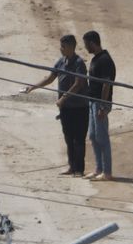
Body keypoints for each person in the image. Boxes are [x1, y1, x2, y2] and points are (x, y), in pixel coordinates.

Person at [25, 34, 89, 176]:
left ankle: (79, 169)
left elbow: (78, 84)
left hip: (79, 107)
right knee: (68, 138)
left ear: (71, 47)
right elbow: (50, 78)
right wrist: (33, 87)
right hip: (66, 108)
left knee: (78, 139)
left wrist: (64, 98)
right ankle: (71, 167)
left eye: (63, 46)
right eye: (61, 46)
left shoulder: (79, 63)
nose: (61, 49)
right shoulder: (61, 62)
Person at [83, 31, 116, 181]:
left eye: (86, 44)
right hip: (92, 101)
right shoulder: (96, 59)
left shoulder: (105, 60)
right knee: (93, 135)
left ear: (92, 43)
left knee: (102, 137)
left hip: (100, 103)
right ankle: (98, 169)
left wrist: (102, 106)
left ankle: (107, 172)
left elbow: (106, 84)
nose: (85, 48)